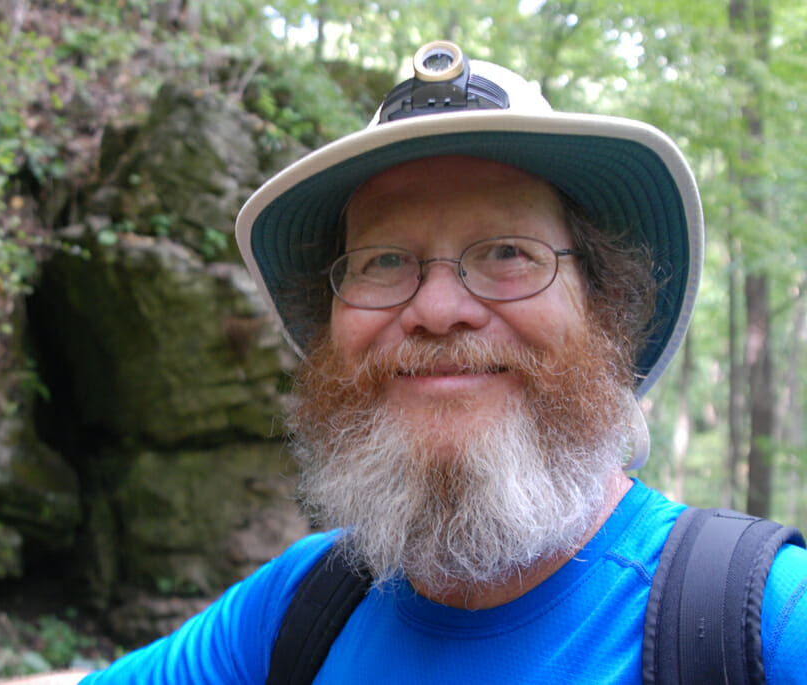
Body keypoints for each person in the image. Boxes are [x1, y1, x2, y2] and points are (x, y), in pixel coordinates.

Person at [74, 41, 807, 684]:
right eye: (384, 260)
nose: (437, 307)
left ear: (602, 303)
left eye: (507, 252)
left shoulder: (763, 623)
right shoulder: (302, 604)